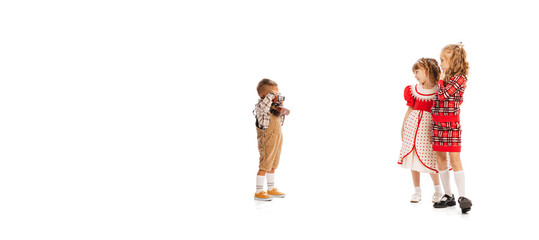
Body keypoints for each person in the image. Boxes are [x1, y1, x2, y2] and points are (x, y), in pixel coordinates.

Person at [431, 43, 472, 213]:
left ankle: (462, 195)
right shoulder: (445, 78)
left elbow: (443, 94)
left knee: (455, 159)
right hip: (438, 124)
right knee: (440, 158)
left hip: (451, 126)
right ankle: (448, 195)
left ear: (453, 61)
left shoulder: (459, 78)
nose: (441, 63)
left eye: (443, 60)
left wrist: (440, 78)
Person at [399, 58, 444, 203]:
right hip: (413, 127)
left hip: (428, 129)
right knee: (413, 160)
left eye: (417, 72)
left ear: (427, 71)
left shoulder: (438, 90)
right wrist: (404, 126)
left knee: (431, 160)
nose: (415, 75)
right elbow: (410, 109)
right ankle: (417, 191)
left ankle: (438, 190)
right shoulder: (413, 90)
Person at [253, 79, 290, 201]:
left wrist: (280, 108)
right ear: (265, 95)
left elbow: (280, 120)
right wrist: (270, 97)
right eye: (274, 93)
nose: (277, 96)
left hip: (277, 137)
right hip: (267, 138)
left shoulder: (274, 108)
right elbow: (264, 107)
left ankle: (271, 188)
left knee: (273, 164)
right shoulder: (260, 107)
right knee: (265, 164)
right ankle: (259, 191)